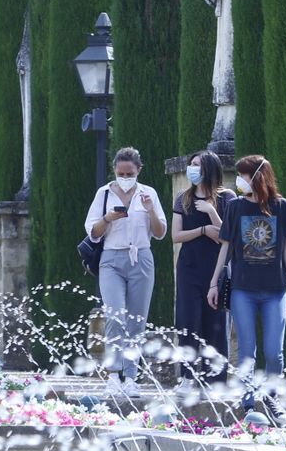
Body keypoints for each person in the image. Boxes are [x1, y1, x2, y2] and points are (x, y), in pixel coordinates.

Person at [207, 155, 286, 408]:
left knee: (274, 352)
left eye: (243, 175)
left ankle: (272, 399)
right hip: (242, 290)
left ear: (257, 176)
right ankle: (247, 403)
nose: (239, 181)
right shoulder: (235, 207)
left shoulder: (285, 208)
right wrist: (214, 283)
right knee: (247, 351)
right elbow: (225, 248)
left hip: (275, 291)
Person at [83, 147, 167, 399]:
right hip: (111, 258)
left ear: (138, 170)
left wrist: (150, 209)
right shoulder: (104, 193)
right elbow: (93, 232)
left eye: (129, 172)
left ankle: (131, 376)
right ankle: (112, 375)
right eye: (120, 172)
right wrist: (108, 218)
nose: (125, 176)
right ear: (114, 171)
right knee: (115, 315)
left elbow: (161, 232)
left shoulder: (148, 193)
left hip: (141, 257)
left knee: (136, 320)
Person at [171, 151, 234, 397]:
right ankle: (186, 376)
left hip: (216, 269)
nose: (192, 169)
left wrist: (210, 211)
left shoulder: (226, 197)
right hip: (189, 268)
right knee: (188, 320)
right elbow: (176, 236)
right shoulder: (183, 199)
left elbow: (226, 235)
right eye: (191, 165)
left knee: (215, 323)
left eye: (197, 165)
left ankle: (215, 380)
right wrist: (203, 229)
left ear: (210, 169)